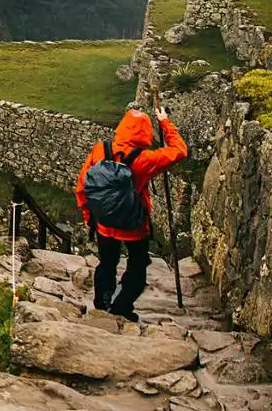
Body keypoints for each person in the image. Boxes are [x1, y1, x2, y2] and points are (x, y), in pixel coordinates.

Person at [75, 104, 188, 320]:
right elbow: (180, 151)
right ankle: (122, 306)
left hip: (105, 223)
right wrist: (165, 123)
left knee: (107, 262)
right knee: (138, 264)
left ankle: (102, 303)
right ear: (145, 132)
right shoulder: (144, 160)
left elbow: (83, 185)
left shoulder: (101, 149)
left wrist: (90, 216)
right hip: (134, 224)